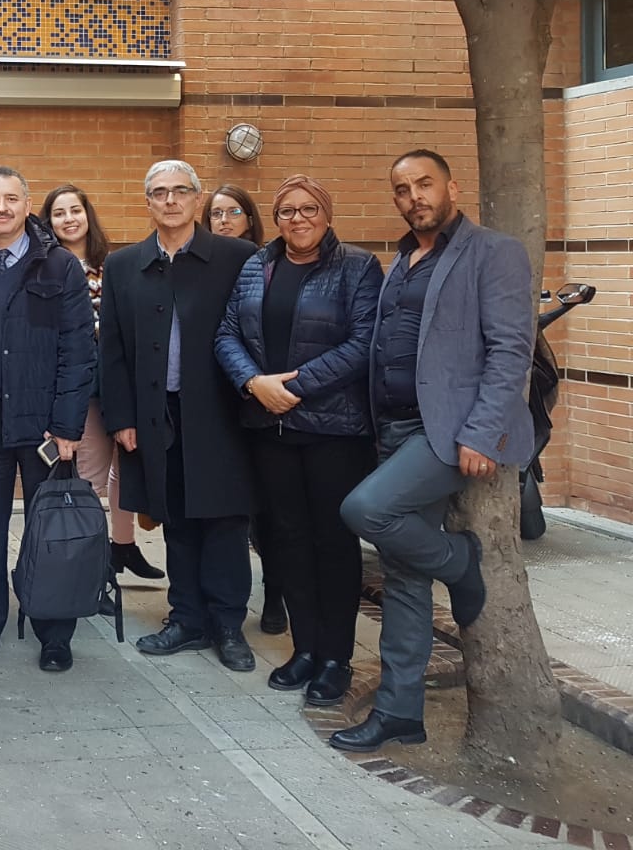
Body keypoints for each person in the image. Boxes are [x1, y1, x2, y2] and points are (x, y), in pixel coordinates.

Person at [331, 150, 532, 753]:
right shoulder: (402, 260)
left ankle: (459, 560)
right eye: (401, 188)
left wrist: (481, 433)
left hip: (445, 431)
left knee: (364, 511)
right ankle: (400, 711)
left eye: (424, 183)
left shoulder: (492, 251)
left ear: (451, 185)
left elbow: (510, 349)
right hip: (391, 427)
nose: (414, 196)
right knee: (402, 576)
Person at [213, 176, 383, 706]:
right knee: (285, 539)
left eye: (309, 208)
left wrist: (295, 387)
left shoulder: (357, 268)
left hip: (333, 430)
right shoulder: (255, 265)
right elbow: (226, 334)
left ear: (327, 214)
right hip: (270, 429)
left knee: (332, 543)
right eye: (286, 210)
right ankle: (304, 649)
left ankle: (336, 657)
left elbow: (364, 343)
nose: (298, 218)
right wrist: (253, 383)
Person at [100, 160, 259, 672]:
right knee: (176, 520)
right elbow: (114, 349)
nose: (170, 200)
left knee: (225, 519)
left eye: (180, 191)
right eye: (159, 193)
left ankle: (229, 625)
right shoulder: (125, 265)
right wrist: (121, 417)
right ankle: (186, 617)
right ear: (147, 203)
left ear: (197, 199)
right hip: (154, 413)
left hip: (220, 413)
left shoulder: (237, 258)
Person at [0, 167, 95, 671]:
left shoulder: (58, 265)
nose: (2, 208)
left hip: (44, 423)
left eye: (12, 198)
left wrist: (68, 426)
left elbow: (78, 352)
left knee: (50, 529)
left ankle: (54, 632)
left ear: (27, 202)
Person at [41, 185, 163, 585]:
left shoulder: (115, 264)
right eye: (59, 213)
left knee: (127, 466)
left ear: (87, 215)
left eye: (75, 210)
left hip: (120, 380)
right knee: (91, 473)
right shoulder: (47, 266)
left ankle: (122, 545)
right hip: (82, 386)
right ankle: (89, 565)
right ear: (49, 222)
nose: (69, 219)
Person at [204, 182, 286, 636]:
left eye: (232, 212)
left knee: (270, 509)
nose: (223, 221)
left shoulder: (267, 263)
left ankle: (275, 593)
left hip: (263, 395)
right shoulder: (206, 262)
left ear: (250, 218)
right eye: (215, 214)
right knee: (237, 508)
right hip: (219, 398)